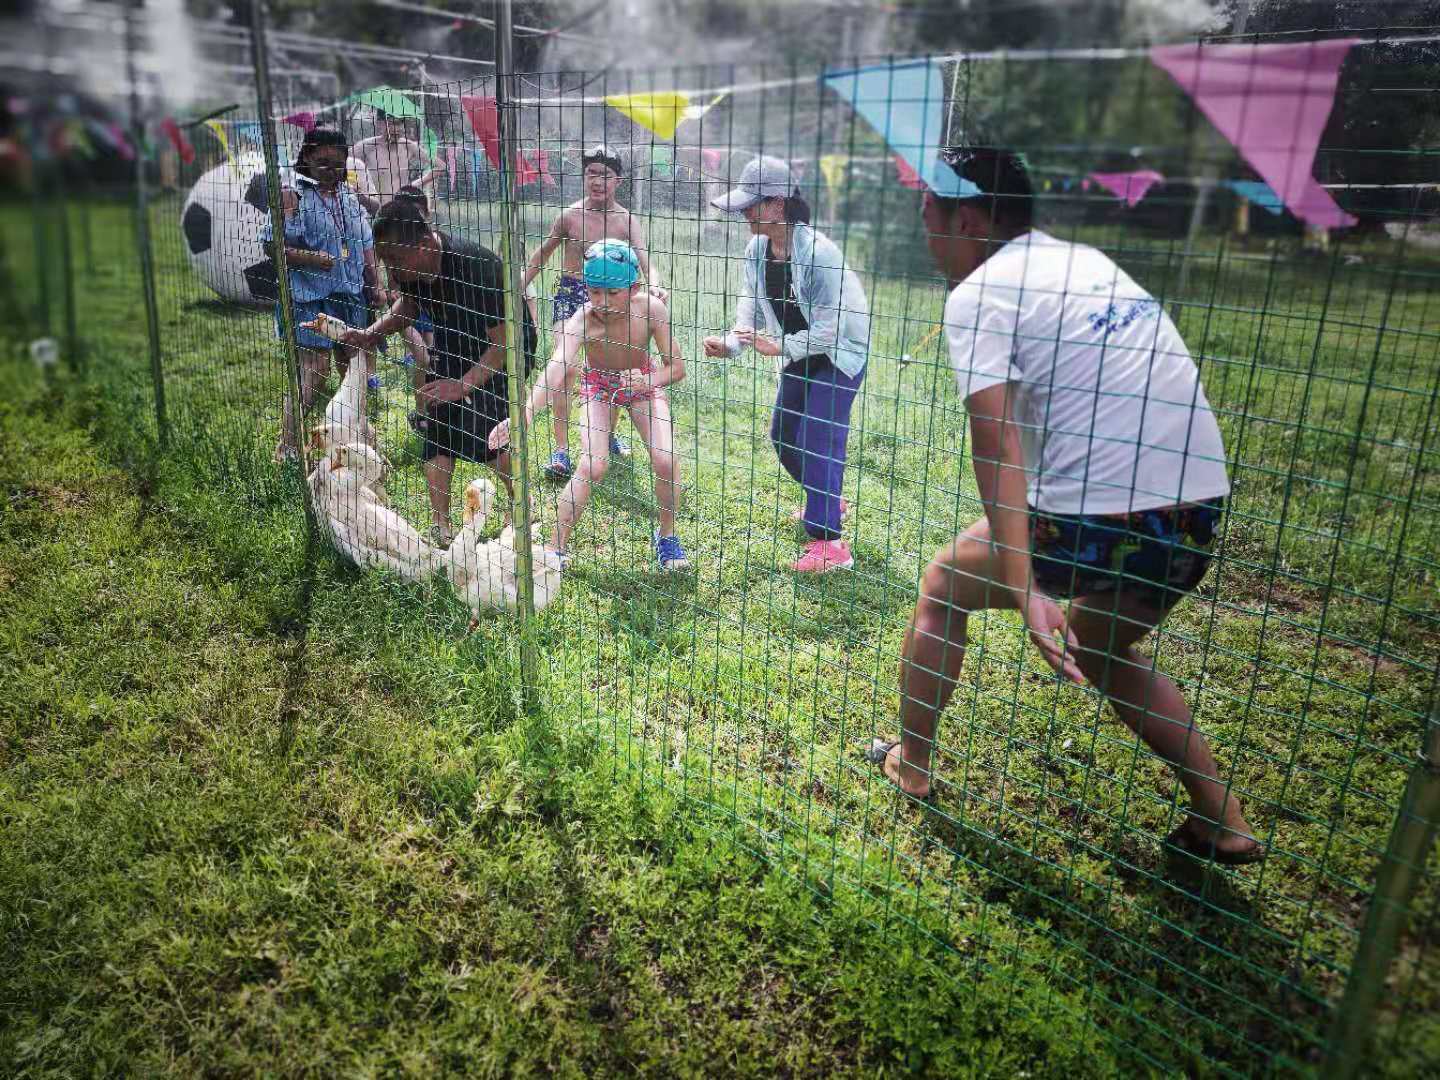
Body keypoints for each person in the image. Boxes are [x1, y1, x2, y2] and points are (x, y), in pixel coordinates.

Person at [869, 147, 1261, 865]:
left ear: (972, 218)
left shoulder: (980, 291)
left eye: (930, 217)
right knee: (1105, 645)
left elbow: (995, 443)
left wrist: (1022, 583)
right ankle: (1223, 821)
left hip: (1098, 520)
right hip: (1196, 510)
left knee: (940, 586)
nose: (925, 236)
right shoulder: (1084, 260)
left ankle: (913, 765)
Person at [703, 155, 871, 573]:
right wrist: (733, 344)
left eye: (751, 205)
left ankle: (831, 545)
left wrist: (778, 347)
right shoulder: (757, 248)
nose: (744, 213)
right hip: (800, 353)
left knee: (819, 435)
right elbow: (750, 305)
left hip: (837, 356)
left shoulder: (819, 253)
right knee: (783, 434)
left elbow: (832, 328)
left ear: (778, 204)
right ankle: (826, 498)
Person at [335, 196, 537, 543]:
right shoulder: (413, 268)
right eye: (385, 262)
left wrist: (462, 385)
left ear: (426, 243)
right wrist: (370, 336)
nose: (391, 272)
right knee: (438, 428)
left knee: (489, 436)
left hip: (503, 354)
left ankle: (524, 507)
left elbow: (506, 344)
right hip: (455, 343)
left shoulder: (478, 268)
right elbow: (408, 307)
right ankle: (440, 527)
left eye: (396, 261)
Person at [490, 240, 689, 571]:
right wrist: (523, 413)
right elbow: (556, 368)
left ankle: (667, 538)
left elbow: (677, 367)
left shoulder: (652, 310)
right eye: (595, 292)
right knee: (593, 465)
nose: (603, 302)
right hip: (598, 388)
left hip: (642, 384)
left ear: (634, 287)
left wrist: (649, 382)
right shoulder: (583, 320)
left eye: (613, 293)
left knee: (666, 461)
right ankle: (555, 549)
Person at [520, 144, 665, 479]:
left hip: (615, 301)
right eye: (591, 173)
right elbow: (542, 255)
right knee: (567, 366)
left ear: (618, 180)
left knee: (614, 367)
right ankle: (561, 451)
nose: (597, 181)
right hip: (572, 295)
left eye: (605, 175)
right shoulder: (570, 216)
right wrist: (519, 285)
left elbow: (645, 259)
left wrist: (655, 284)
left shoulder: (627, 220)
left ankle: (607, 435)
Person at [262, 126, 382, 462]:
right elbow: (272, 245)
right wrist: (311, 258)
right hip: (310, 297)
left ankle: (357, 440)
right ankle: (287, 447)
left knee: (353, 370)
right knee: (314, 370)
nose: (330, 170)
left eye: (337, 163)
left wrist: (375, 282)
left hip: (350, 294)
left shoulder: (348, 195)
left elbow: (365, 242)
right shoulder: (292, 195)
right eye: (322, 162)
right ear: (306, 159)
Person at [352, 110, 443, 214]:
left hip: (401, 211)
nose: (396, 129)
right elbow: (345, 165)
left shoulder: (409, 146)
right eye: (390, 123)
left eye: (399, 123)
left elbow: (440, 166)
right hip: (375, 212)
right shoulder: (366, 146)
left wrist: (413, 185)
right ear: (379, 124)